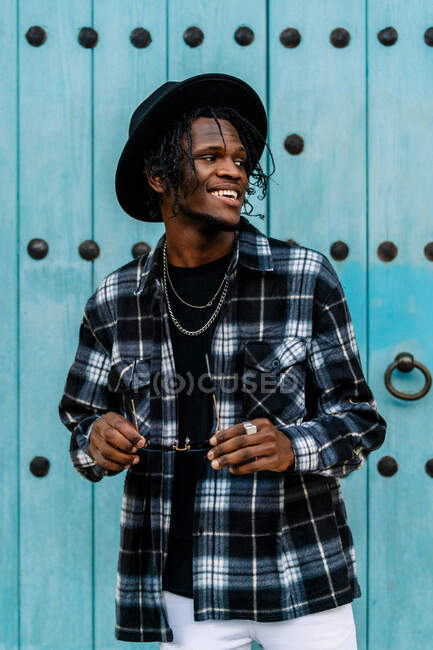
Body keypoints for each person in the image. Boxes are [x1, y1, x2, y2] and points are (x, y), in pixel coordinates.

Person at [58, 73, 387, 649]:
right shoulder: (114, 301)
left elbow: (360, 420)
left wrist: (292, 446)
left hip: (300, 580)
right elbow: (81, 427)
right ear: (160, 177)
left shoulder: (304, 278)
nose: (234, 170)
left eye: (239, 158)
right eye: (210, 156)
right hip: (185, 590)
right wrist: (97, 441)